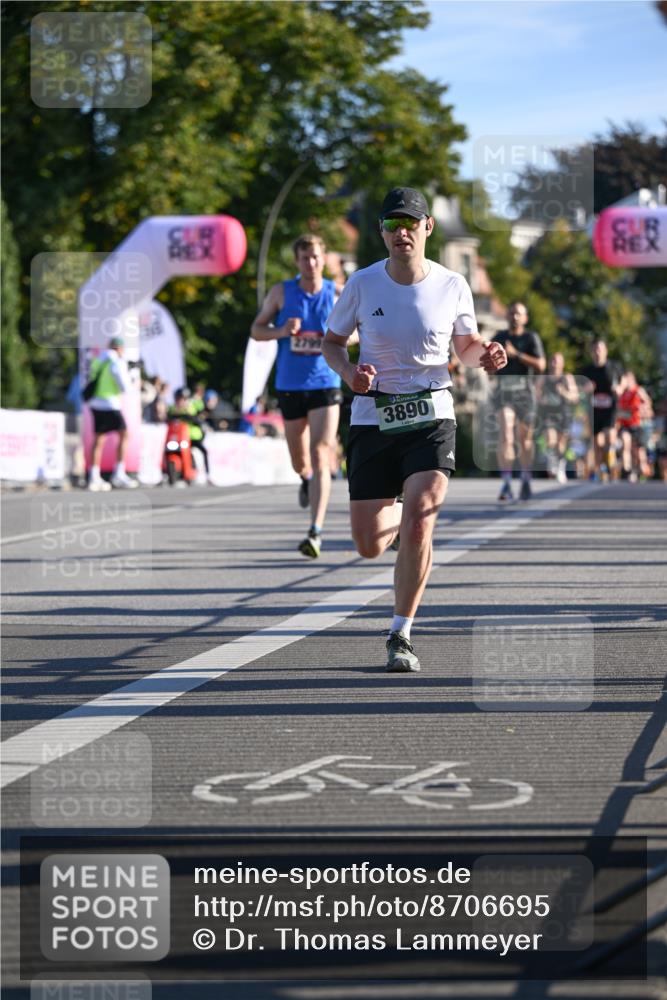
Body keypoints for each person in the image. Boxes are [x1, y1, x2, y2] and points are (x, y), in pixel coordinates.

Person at [322, 186, 507, 673]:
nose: (401, 232)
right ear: (381, 232)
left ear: (428, 228)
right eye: (392, 224)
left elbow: (466, 346)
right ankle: (402, 522)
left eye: (410, 223)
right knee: (367, 545)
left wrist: (486, 355)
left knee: (422, 518)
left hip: (431, 414)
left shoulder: (453, 284)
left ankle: (400, 632)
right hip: (373, 416)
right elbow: (332, 343)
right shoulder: (362, 283)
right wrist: (350, 373)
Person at [251, 233, 345, 558]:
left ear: (324, 258)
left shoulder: (337, 293)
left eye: (316, 257)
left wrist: (339, 338)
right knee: (299, 460)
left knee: (321, 452)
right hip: (290, 384)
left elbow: (360, 330)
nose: (311, 263)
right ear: (297, 261)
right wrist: (280, 331)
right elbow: (256, 329)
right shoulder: (281, 292)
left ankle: (315, 531)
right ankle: (304, 478)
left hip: (326, 382)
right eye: (305, 258)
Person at [490, 302, 546, 501]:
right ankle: (506, 482)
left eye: (519, 314)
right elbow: (487, 365)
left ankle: (525, 477)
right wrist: (492, 364)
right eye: (512, 313)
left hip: (525, 394)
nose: (515, 317)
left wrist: (517, 355)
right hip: (503, 393)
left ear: (525, 318)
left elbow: (541, 365)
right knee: (506, 434)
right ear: (507, 316)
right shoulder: (499, 338)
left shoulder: (531, 338)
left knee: (525, 439)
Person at [87, 335, 138, 490]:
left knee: (99, 439)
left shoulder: (98, 360)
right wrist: (132, 378)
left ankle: (94, 476)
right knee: (125, 435)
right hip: (110, 404)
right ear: (120, 348)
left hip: (96, 403)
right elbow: (124, 386)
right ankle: (119, 473)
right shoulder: (116, 361)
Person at [580, 338, 622, 481]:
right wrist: (586, 389)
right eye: (595, 350)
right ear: (592, 352)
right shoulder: (587, 370)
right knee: (597, 443)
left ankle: (611, 463)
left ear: (605, 351)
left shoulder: (613, 367)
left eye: (600, 349)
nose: (597, 352)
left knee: (610, 436)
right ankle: (600, 469)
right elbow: (580, 389)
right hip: (594, 410)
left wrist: (619, 388)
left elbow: (623, 380)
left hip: (610, 409)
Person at [536, 353, 579, 483]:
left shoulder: (567, 378)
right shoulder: (544, 378)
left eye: (557, 361)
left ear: (562, 364)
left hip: (563, 414)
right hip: (548, 414)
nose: (554, 364)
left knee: (561, 445)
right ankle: (552, 462)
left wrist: (564, 392)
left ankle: (560, 467)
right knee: (550, 438)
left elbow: (575, 397)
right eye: (553, 360)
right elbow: (536, 395)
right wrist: (541, 399)